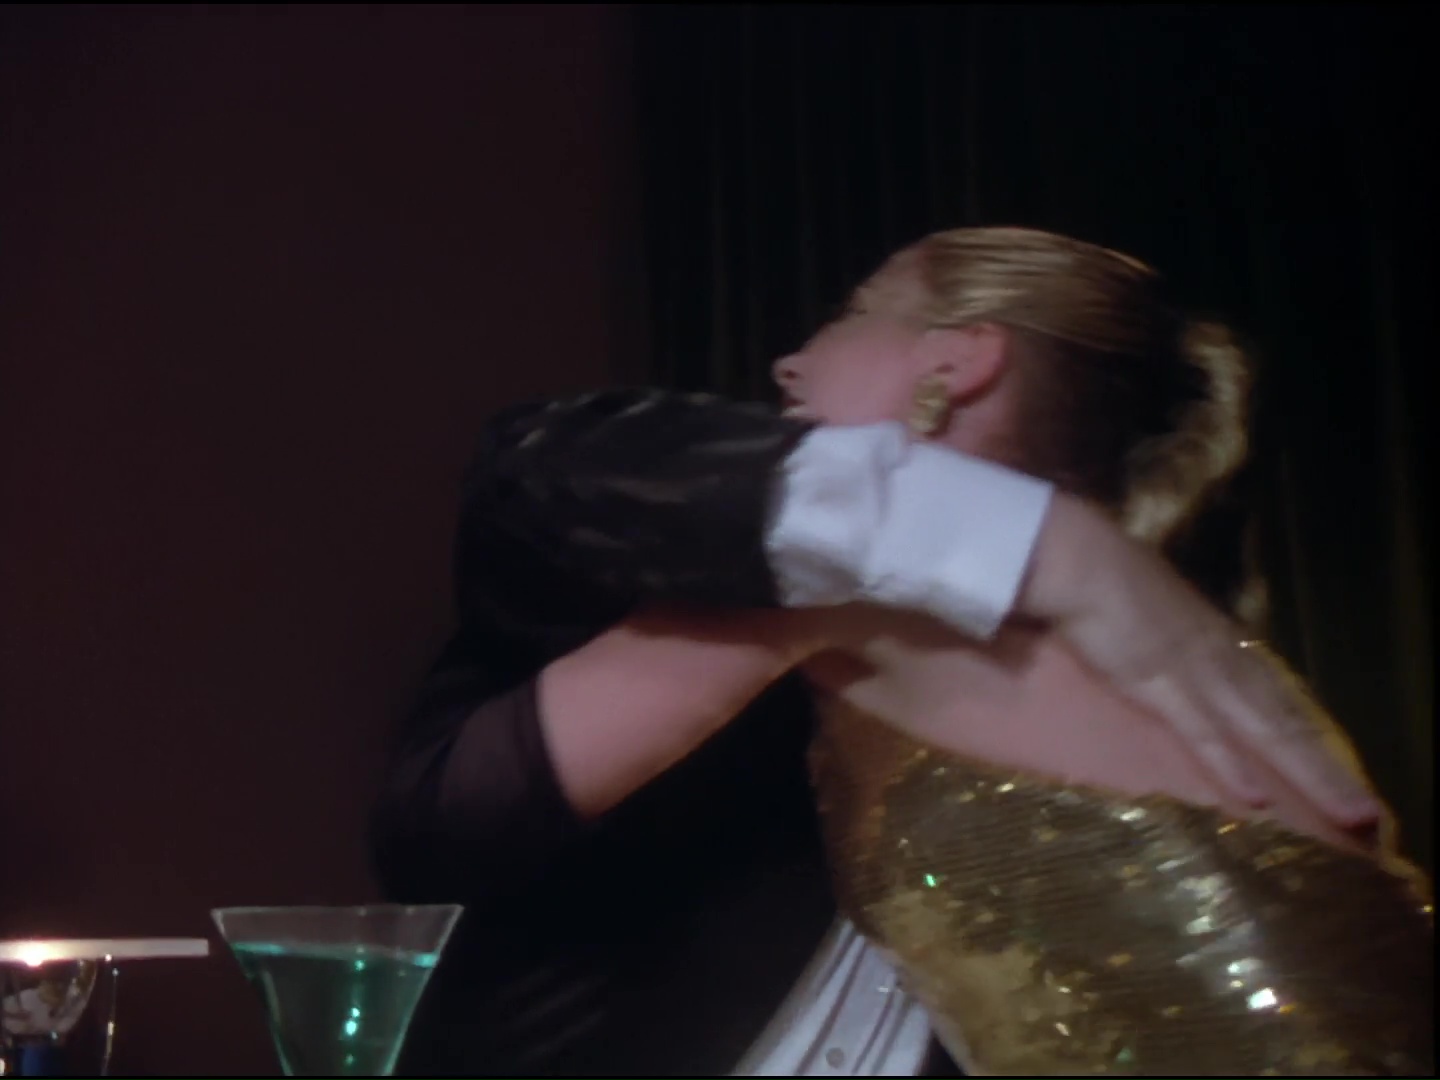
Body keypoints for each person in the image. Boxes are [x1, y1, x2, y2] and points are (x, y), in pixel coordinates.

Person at [371, 227, 1406, 1076]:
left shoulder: (1186, 689)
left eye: (852, 312)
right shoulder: (689, 586)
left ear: (958, 359)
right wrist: (1024, 542)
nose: (787, 362)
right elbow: (532, 468)